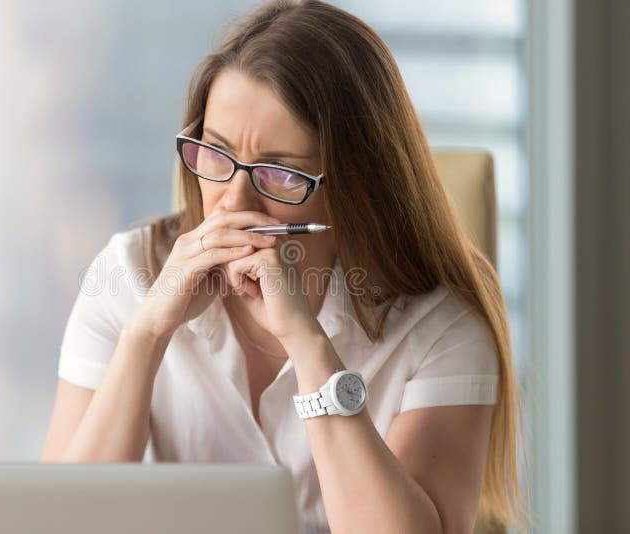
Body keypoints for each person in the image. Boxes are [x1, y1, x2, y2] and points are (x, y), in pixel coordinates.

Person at [41, 1, 528, 533]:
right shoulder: (126, 277)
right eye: (217, 154)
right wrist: (147, 334)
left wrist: (307, 342)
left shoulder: (442, 330)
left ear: (355, 188)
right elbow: (64, 520)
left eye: (278, 173)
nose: (233, 203)